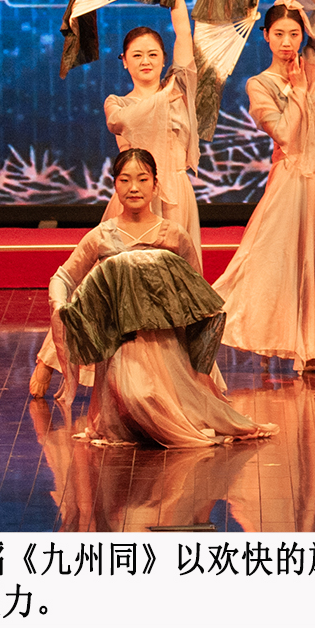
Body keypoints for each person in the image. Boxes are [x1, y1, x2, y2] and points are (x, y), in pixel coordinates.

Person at [29, 0, 200, 398]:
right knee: (97, 286)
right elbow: (126, 122)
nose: (146, 61)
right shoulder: (117, 104)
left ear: (164, 59)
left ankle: (180, 377)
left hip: (176, 198)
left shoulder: (181, 91)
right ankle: (51, 361)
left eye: (153, 54)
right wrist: (166, 96)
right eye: (137, 55)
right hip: (133, 201)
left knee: (180, 289)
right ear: (123, 61)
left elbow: (183, 29)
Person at [45, 148, 275, 447]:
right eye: (125, 180)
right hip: (122, 346)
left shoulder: (173, 235)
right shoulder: (101, 236)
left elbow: (196, 293)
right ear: (115, 185)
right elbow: (63, 277)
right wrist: (60, 305)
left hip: (168, 347)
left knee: (166, 407)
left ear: (155, 184)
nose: (134, 188)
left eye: (142, 179)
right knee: (138, 396)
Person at [210, 0, 315, 373]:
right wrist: (295, 92)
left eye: (294, 34)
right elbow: (283, 133)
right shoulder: (259, 84)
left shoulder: (314, 61)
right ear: (265, 36)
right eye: (278, 34)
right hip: (292, 174)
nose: (287, 42)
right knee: (288, 262)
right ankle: (304, 347)